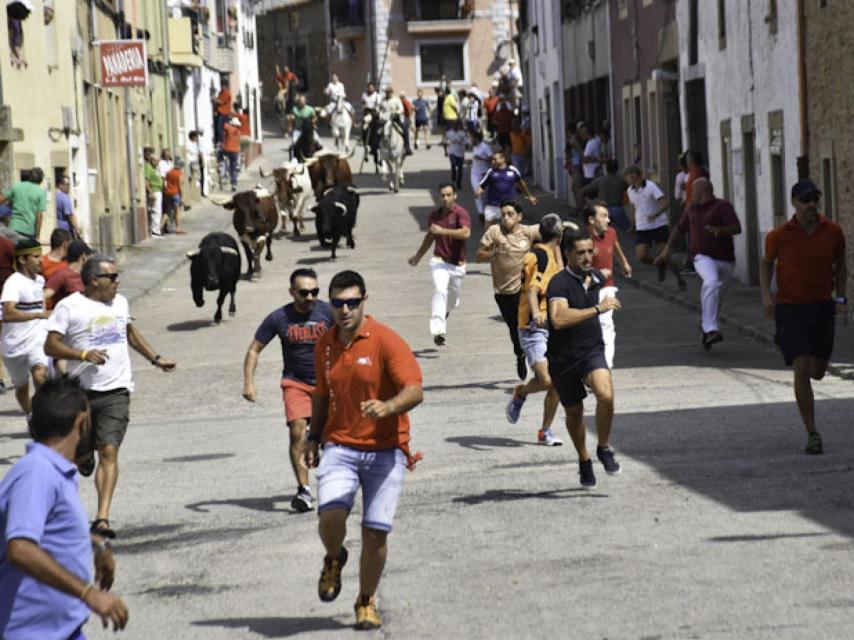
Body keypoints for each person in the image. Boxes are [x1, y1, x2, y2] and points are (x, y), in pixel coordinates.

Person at [304, 270, 423, 631]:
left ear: (364, 301)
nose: (344, 310)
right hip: (340, 444)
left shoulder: (386, 340)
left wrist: (388, 407)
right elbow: (322, 395)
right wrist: (313, 436)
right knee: (331, 515)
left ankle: (366, 600)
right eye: (338, 303)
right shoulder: (325, 344)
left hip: (386, 451)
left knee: (375, 532)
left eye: (352, 303)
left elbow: (415, 389)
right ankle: (334, 555)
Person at [44, 254, 176, 539]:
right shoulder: (69, 307)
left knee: (109, 450)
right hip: (78, 394)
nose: (118, 282)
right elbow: (50, 345)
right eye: (113, 277)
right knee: (78, 458)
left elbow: (129, 333)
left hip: (116, 389)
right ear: (94, 280)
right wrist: (81, 354)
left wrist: (155, 358)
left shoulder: (120, 303)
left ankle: (102, 518)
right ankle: (83, 458)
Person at [0, 376, 129, 639]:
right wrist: (88, 593)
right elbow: (20, 548)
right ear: (82, 422)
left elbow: (47, 531)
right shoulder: (37, 472)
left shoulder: (53, 471)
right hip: (31, 634)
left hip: (59, 631)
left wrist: (95, 543)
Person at [759, 180, 847, 455]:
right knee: (801, 367)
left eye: (814, 200)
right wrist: (765, 297)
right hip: (791, 309)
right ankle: (812, 432)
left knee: (817, 371)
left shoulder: (833, 232)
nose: (811, 205)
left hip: (822, 307)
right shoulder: (778, 235)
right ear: (794, 203)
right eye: (805, 200)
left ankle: (810, 360)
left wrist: (841, 298)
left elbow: (841, 264)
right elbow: (765, 264)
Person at [242, 269, 333, 513]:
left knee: (331, 437)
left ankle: (332, 476)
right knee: (297, 432)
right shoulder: (279, 317)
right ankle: (304, 491)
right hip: (296, 383)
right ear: (292, 292)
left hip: (328, 384)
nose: (310, 297)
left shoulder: (328, 312)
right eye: (304, 292)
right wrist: (249, 383)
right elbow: (254, 350)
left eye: (315, 291)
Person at [547, 226, 622, 488]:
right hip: (563, 357)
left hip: (591, 350)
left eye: (590, 251)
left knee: (606, 394)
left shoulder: (595, 278)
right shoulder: (559, 283)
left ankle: (603, 447)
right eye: (580, 253)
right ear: (567, 254)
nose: (588, 257)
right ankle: (584, 459)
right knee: (575, 413)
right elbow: (557, 318)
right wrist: (597, 309)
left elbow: (603, 274)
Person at [657, 178, 740, 350]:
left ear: (702, 192)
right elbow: (679, 229)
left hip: (725, 260)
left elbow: (736, 228)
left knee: (715, 297)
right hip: (701, 257)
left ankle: (705, 325)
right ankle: (711, 329)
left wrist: (721, 230)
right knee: (710, 282)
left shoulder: (722, 206)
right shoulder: (691, 209)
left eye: (692, 191)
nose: (690, 195)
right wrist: (667, 249)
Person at [505, 214, 566, 445]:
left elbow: (559, 276)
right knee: (547, 379)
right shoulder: (540, 256)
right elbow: (532, 290)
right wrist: (537, 313)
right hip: (533, 327)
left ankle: (545, 431)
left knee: (557, 381)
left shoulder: (549, 254)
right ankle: (521, 393)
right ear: (558, 236)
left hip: (554, 325)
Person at [476, 201, 540, 380]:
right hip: (503, 291)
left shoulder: (528, 232)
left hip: (525, 289)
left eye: (510, 214)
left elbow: (551, 230)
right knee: (514, 327)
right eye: (503, 214)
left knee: (531, 324)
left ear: (519, 216)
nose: (505, 217)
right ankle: (520, 355)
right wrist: (495, 252)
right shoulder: (494, 232)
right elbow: (479, 255)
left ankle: (538, 360)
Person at [408, 183, 471, 346]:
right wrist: (418, 256)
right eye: (442, 195)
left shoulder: (460, 213)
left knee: (452, 301)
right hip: (439, 262)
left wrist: (442, 231)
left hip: (458, 265)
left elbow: (466, 233)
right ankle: (438, 331)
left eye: (449, 195)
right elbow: (430, 237)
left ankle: (446, 311)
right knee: (439, 290)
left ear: (455, 196)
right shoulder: (434, 216)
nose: (445, 198)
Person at [1, 238, 50, 419]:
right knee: (22, 390)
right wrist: (37, 315)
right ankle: (31, 415)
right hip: (14, 345)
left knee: (40, 375)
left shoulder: (40, 281)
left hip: (37, 339)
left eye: (41, 256)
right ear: (22, 259)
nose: (40, 261)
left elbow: (41, 308)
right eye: (36, 257)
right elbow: (8, 314)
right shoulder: (14, 283)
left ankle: (45, 416)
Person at [585, 204, 633, 368]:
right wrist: (595, 274)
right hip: (587, 289)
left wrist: (624, 262)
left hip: (607, 287)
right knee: (590, 327)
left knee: (606, 324)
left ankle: (605, 365)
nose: (608, 219)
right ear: (591, 220)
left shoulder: (611, 232)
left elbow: (615, 245)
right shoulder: (584, 239)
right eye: (604, 216)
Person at [624, 165, 685, 290]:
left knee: (665, 255)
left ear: (637, 175)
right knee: (641, 256)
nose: (628, 179)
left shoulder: (650, 186)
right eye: (626, 176)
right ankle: (659, 265)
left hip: (658, 225)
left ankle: (679, 279)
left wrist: (656, 214)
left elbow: (665, 202)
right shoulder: (630, 190)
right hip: (642, 226)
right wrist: (633, 224)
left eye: (629, 175)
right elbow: (633, 206)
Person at [475, 151, 538, 227]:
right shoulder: (491, 172)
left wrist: (529, 196)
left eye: (495, 159)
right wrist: (478, 191)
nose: (492, 161)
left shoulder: (513, 170)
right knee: (488, 231)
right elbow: (482, 186)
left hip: (509, 206)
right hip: (493, 206)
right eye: (492, 159)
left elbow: (522, 184)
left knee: (510, 229)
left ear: (503, 159)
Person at [580, 159, 630, 230]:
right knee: (628, 231)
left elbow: (583, 191)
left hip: (603, 209)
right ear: (617, 168)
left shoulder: (600, 180)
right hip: (617, 209)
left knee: (603, 233)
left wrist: (589, 203)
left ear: (606, 168)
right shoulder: (622, 180)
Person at [0, 168, 47, 240]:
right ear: (41, 179)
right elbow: (39, 216)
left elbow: (1, 199)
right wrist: (37, 236)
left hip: (13, 227)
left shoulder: (17, 186)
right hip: (28, 231)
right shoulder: (40, 192)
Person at [44, 240, 93, 309]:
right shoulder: (63, 275)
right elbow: (44, 296)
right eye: (89, 256)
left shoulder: (87, 275)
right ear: (83, 257)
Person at [470, 132, 493, 219]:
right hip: (474, 173)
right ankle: (481, 212)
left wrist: (482, 159)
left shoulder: (485, 147)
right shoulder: (474, 147)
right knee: (477, 192)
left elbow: (492, 159)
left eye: (472, 138)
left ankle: (486, 210)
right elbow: (475, 159)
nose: (471, 140)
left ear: (477, 138)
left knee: (485, 194)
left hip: (484, 174)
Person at [162, 157, 187, 235]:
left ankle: (160, 226)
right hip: (175, 193)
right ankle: (178, 228)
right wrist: (182, 196)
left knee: (167, 212)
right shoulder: (179, 173)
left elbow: (165, 182)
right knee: (177, 212)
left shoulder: (169, 172)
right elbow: (180, 185)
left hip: (167, 193)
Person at [144, 150, 164, 237]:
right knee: (156, 211)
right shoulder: (148, 168)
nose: (158, 163)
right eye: (156, 161)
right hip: (154, 191)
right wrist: (151, 193)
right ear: (152, 160)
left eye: (158, 161)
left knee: (158, 211)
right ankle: (155, 231)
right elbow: (146, 181)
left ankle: (156, 230)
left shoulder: (155, 168)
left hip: (158, 190)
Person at [55, 174, 82, 239]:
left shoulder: (55, 195)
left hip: (57, 228)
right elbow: (70, 216)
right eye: (67, 185)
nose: (69, 187)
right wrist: (77, 230)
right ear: (60, 185)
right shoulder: (65, 198)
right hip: (65, 230)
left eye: (69, 184)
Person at [445, 120, 467, 191]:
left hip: (460, 151)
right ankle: (453, 174)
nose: (456, 127)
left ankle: (459, 182)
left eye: (457, 125)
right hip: (452, 151)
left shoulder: (462, 134)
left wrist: (465, 148)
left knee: (460, 168)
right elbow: (445, 142)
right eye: (455, 125)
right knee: (453, 163)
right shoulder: (449, 133)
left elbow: (466, 142)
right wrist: (445, 151)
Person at [222, 116, 242, 191]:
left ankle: (224, 175)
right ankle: (234, 183)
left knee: (223, 160)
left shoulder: (229, 128)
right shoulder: (239, 132)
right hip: (236, 151)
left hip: (227, 150)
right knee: (233, 168)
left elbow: (223, 125)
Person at [399, 91, 414, 155]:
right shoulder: (401, 101)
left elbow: (409, 109)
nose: (401, 97)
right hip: (404, 117)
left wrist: (410, 118)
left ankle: (407, 147)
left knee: (405, 131)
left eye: (402, 96)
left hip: (406, 118)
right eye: (401, 97)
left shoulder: (405, 101)